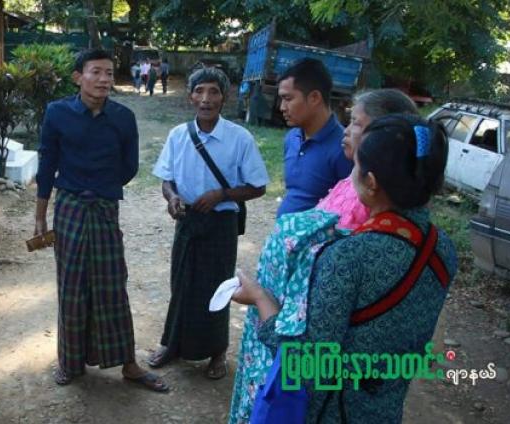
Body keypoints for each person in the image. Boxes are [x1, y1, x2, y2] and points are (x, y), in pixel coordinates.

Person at [233, 113, 457, 423]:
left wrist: (260, 299)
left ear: (371, 183)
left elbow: (308, 366)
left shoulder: (347, 257)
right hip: (385, 410)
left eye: (356, 166)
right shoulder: (442, 249)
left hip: (336, 413)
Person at [35, 48, 169, 392]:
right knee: (71, 285)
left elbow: (129, 166)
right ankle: (69, 362)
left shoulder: (123, 117)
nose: (104, 79)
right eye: (96, 72)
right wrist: (40, 217)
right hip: (69, 207)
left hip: (105, 208)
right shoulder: (57, 113)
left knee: (112, 284)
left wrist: (101, 187)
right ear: (77, 77)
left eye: (109, 73)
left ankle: (128, 364)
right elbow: (46, 166)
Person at [149, 67, 269, 379]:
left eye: (213, 91)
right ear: (190, 97)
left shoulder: (239, 138)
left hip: (221, 223)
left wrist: (221, 195)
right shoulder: (178, 135)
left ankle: (217, 352)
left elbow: (258, 186)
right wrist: (172, 197)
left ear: (224, 97)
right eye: (199, 91)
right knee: (181, 283)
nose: (206, 98)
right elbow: (166, 179)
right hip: (187, 220)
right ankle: (172, 344)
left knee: (217, 286)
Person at [276, 58, 352, 217]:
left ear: (314, 98)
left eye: (288, 99)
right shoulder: (292, 138)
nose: (282, 107)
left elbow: (350, 209)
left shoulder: (344, 147)